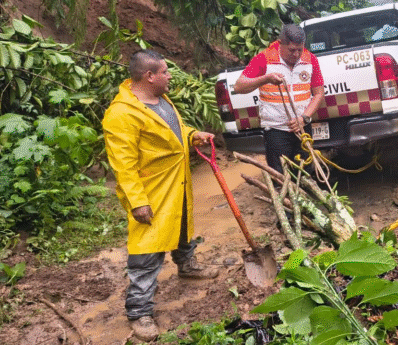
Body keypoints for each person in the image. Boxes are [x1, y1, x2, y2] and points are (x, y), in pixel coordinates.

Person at [102, 49, 220, 342]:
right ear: (149, 76)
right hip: (151, 191)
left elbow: (174, 130)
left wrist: (193, 135)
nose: (170, 76)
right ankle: (139, 311)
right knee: (147, 252)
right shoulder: (121, 114)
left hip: (176, 182)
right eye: (165, 72)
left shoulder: (160, 100)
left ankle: (187, 266)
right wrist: (137, 201)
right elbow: (123, 163)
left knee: (183, 228)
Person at [233, 24, 325, 174]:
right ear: (280, 44)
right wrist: (266, 79)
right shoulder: (264, 58)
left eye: (299, 50)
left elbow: (319, 93)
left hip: (302, 128)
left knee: (306, 172)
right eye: (292, 50)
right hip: (276, 130)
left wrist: (304, 118)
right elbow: (239, 86)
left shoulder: (310, 59)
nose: (296, 55)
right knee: (280, 174)